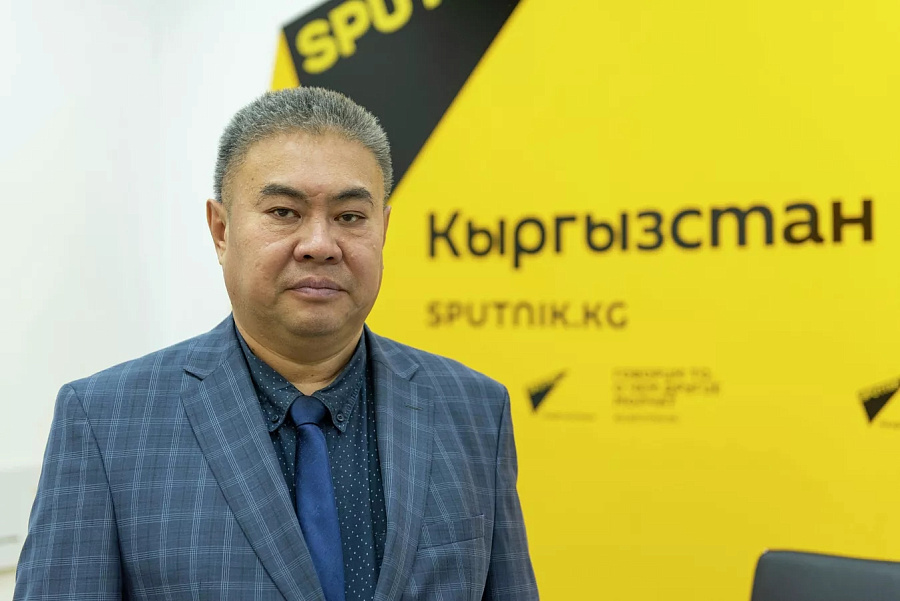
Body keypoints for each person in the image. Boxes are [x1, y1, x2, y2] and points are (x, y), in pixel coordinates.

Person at [14, 87, 538, 601]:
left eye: (350, 217)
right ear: (221, 230)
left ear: (382, 229)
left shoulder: (473, 409)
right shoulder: (106, 422)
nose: (319, 245)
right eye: (284, 212)